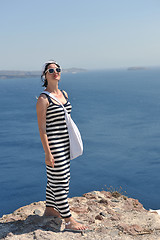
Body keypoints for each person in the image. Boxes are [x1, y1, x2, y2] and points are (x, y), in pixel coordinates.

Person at [36, 60, 88, 232]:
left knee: (56, 179)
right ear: (45, 75)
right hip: (54, 145)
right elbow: (42, 129)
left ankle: (50, 209)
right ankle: (69, 221)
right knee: (60, 183)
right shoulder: (43, 99)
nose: (55, 72)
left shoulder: (64, 94)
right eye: (50, 70)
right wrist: (47, 153)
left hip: (66, 144)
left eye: (57, 69)